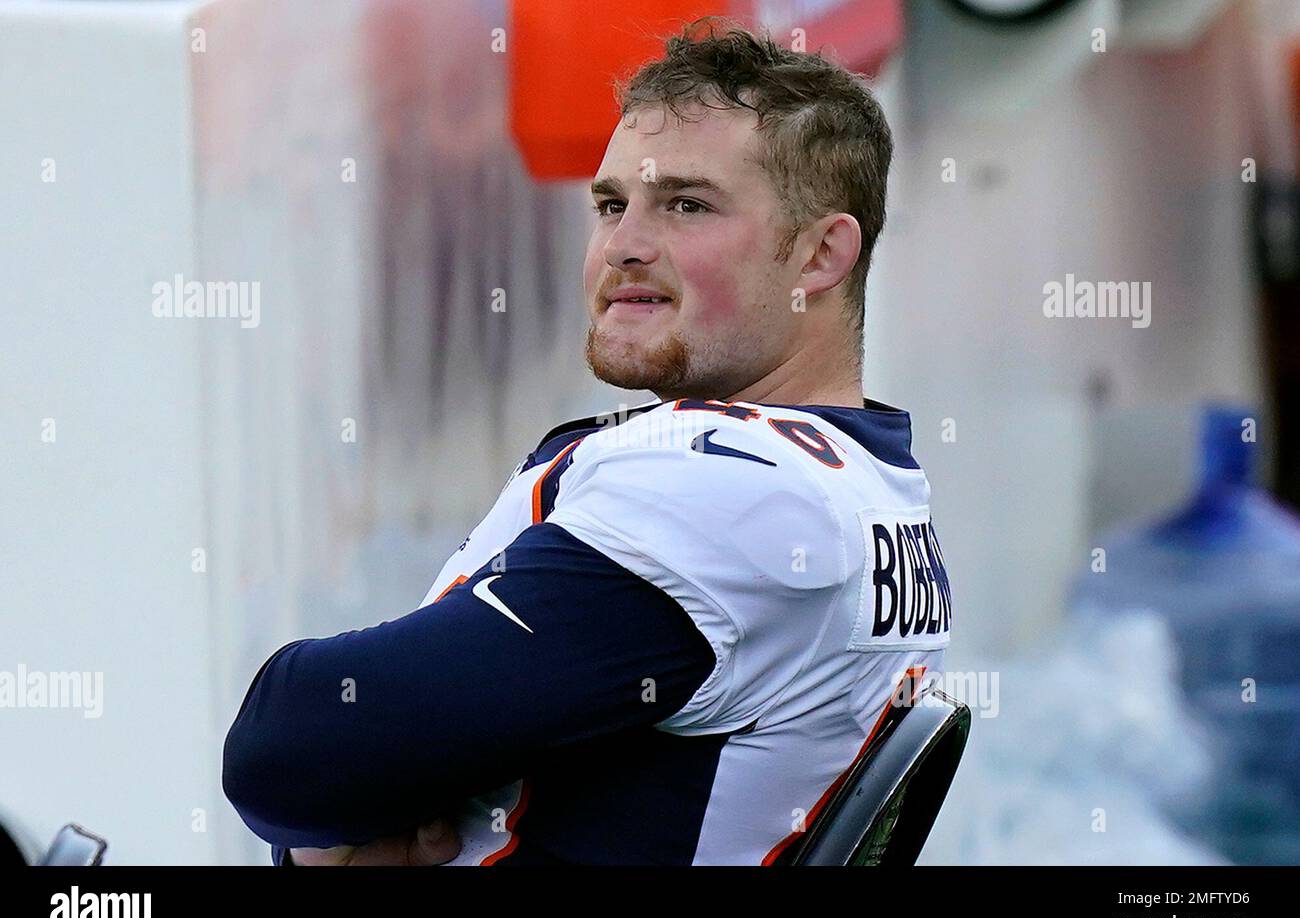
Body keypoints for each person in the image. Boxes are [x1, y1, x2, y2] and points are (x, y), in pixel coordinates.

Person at [222, 16, 953, 866]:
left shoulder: (737, 492)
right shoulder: (871, 480)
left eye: (686, 205)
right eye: (612, 205)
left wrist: (356, 812)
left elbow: (292, 749)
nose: (625, 248)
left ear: (823, 254)